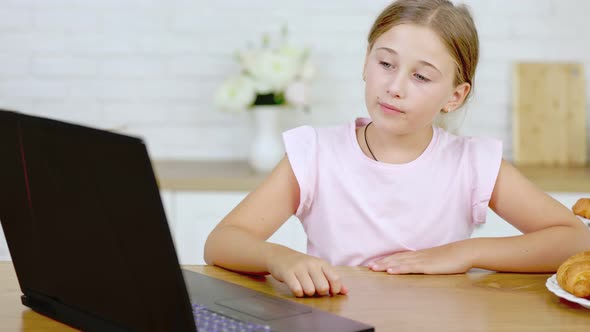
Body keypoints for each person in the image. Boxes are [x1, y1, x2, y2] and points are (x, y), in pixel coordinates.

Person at [204, 0, 590, 298]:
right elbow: (222, 242)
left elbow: (574, 239)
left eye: (421, 76)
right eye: (386, 63)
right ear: (365, 62)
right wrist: (279, 257)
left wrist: (464, 253)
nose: (395, 87)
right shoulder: (315, 152)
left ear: (454, 97)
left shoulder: (473, 162)